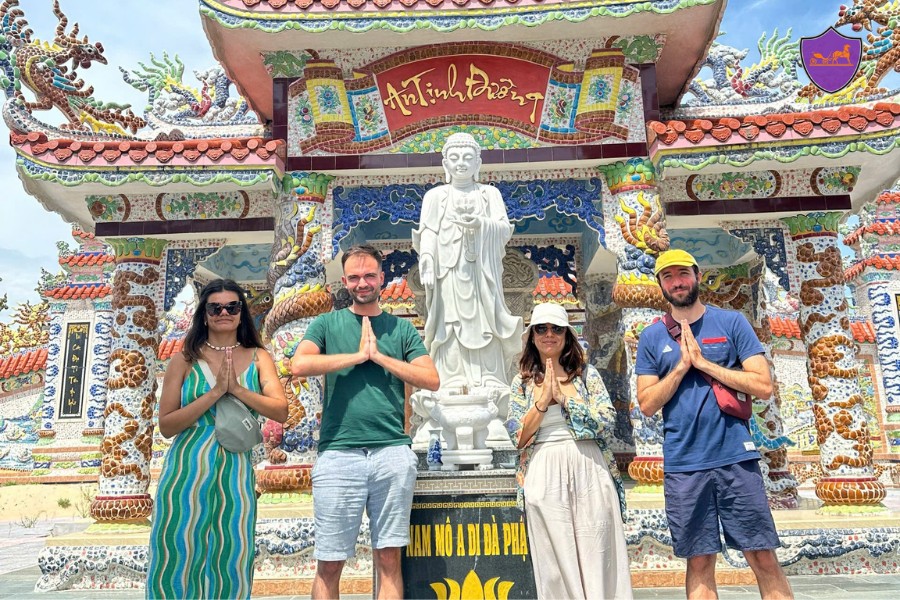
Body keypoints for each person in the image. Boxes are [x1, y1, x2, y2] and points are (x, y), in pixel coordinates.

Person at [635, 249, 793, 600]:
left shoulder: (731, 323)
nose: (677, 282)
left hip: (735, 457)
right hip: (685, 463)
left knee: (762, 555)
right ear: (660, 285)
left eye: (683, 274)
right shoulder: (652, 337)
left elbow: (763, 385)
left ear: (697, 276)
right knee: (699, 560)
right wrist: (681, 367)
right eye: (668, 276)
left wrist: (705, 364)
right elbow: (646, 404)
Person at [291, 244, 440, 600]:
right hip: (339, 452)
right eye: (355, 277)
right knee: (330, 562)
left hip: (391, 451)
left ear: (381, 278)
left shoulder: (400, 329)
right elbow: (299, 364)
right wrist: (357, 356)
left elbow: (431, 378)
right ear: (345, 281)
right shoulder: (327, 324)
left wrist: (380, 358)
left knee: (388, 558)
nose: (362, 283)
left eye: (369, 276)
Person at [146, 279, 289, 599]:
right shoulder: (184, 360)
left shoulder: (259, 357)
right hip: (187, 468)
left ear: (241, 313)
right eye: (215, 308)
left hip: (235, 468)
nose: (224, 313)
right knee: (177, 551)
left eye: (232, 307)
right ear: (204, 314)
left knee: (232, 551)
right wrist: (214, 393)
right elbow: (167, 425)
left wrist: (236, 389)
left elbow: (281, 410)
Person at [506, 302, 632, 600]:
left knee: (597, 552)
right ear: (532, 336)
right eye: (541, 328)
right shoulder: (521, 383)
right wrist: (542, 402)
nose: (549, 334)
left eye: (557, 329)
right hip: (543, 469)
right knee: (554, 562)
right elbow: (517, 436)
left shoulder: (586, 376)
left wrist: (564, 399)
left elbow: (606, 422)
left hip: (589, 467)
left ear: (567, 335)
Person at [412, 132, 522, 392]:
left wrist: (480, 224)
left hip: (481, 274)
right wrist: (426, 256)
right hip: (448, 273)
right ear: (445, 164)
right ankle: (451, 377)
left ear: (478, 163)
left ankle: (489, 377)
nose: (461, 163)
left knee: (486, 322)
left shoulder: (489, 194)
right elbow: (428, 231)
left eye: (467, 157)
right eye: (454, 157)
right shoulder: (435, 196)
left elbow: (504, 229)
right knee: (449, 324)